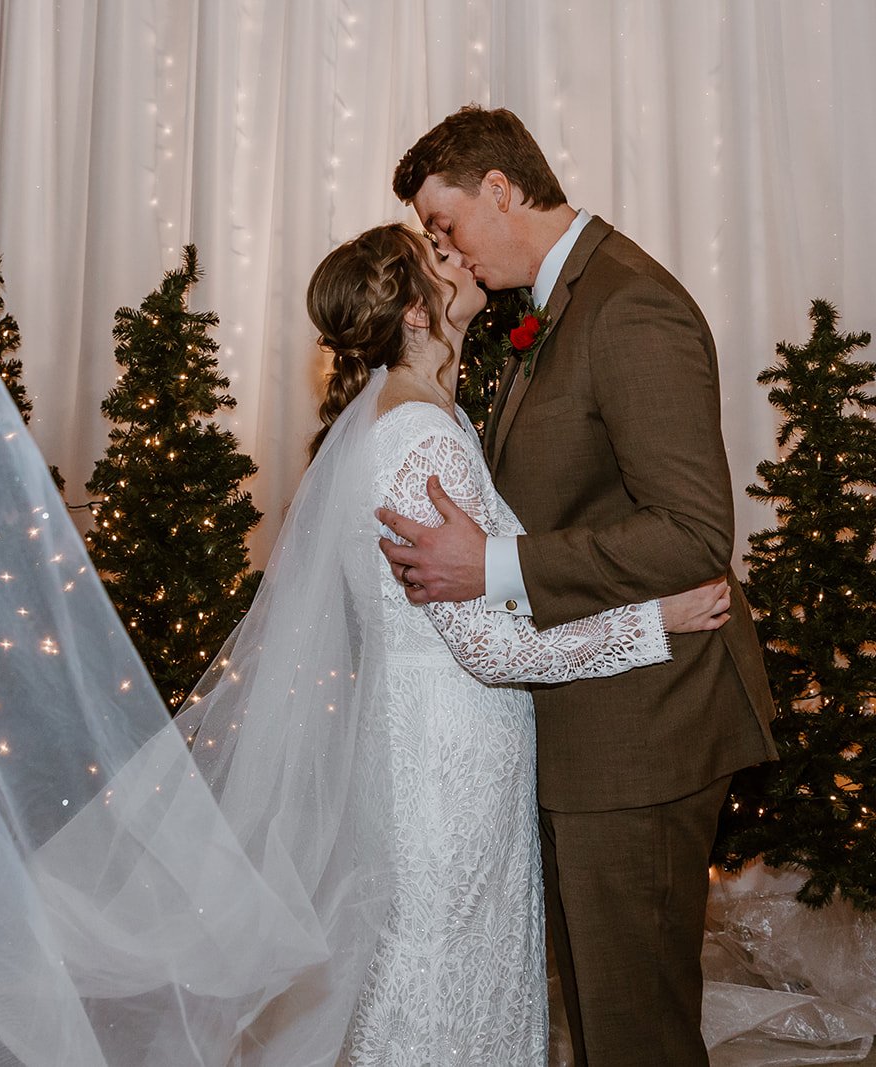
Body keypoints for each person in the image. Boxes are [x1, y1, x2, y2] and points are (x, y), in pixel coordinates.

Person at [186, 220, 732, 1063]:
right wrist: (655, 621)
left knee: (442, 963)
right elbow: (493, 650)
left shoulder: (412, 419)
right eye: (438, 257)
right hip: (451, 749)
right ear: (413, 312)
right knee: (443, 971)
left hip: (432, 736)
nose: (462, 258)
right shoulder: (421, 438)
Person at [379, 105, 781, 1065]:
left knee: (634, 1026)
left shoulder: (629, 304)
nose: (447, 251)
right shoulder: (554, 306)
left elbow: (693, 536)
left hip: (644, 730)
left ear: (501, 191)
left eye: (446, 226)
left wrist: (495, 565)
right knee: (604, 1019)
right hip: (592, 720)